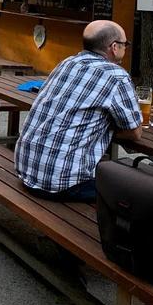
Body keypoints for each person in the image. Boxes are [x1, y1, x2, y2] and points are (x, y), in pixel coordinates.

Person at [15, 20, 142, 202]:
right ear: (114, 47)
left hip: (27, 171)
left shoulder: (67, 63)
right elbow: (135, 133)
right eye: (125, 44)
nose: (125, 48)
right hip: (62, 184)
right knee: (140, 192)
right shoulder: (116, 76)